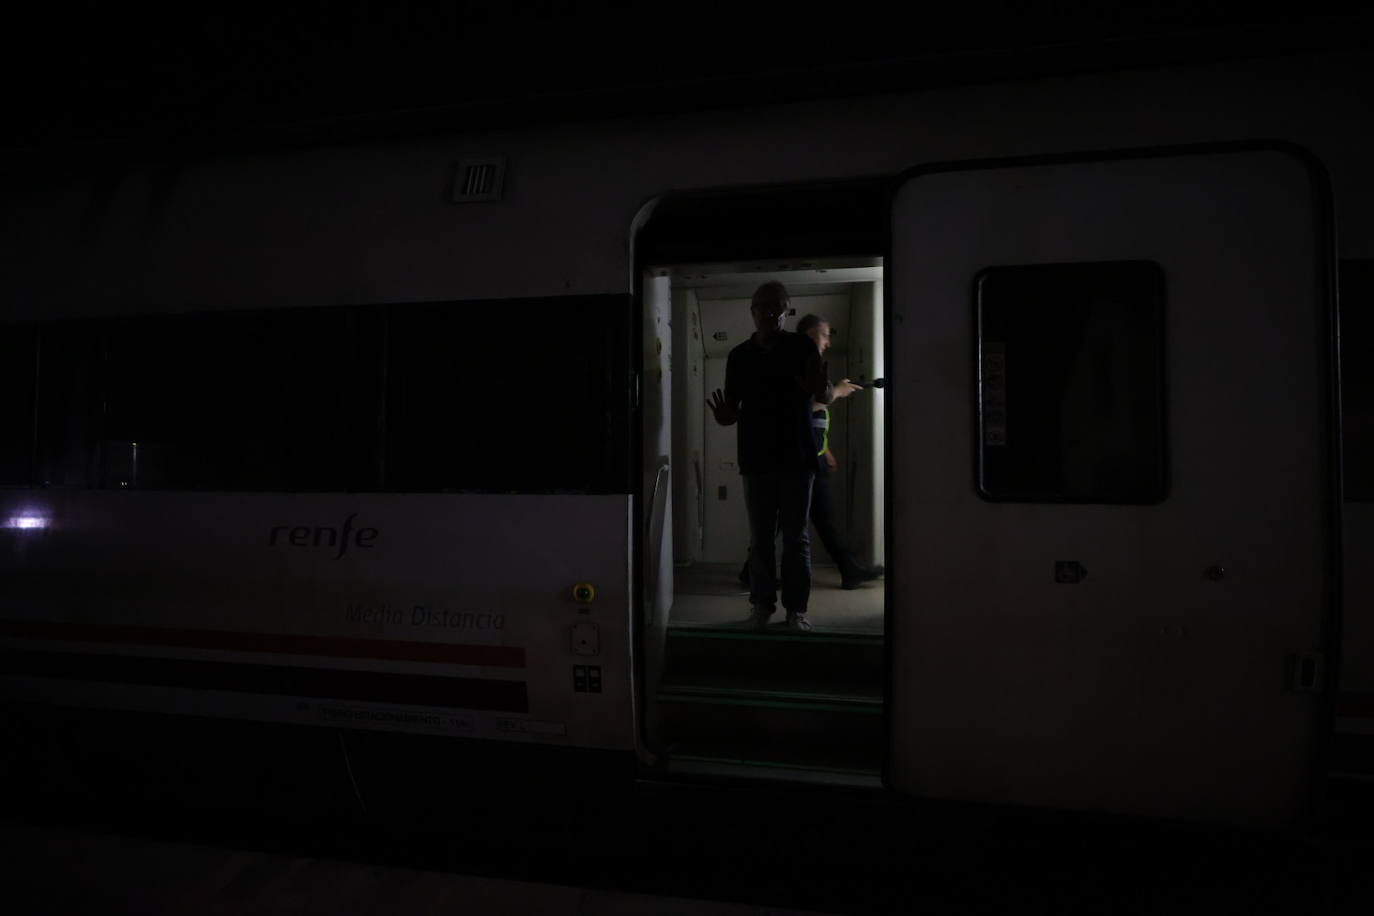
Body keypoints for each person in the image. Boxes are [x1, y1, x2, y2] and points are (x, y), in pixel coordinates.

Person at [707, 282, 832, 632]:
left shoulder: (802, 346)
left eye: (777, 307)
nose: (770, 312)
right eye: (763, 306)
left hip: (797, 456)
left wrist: (819, 389)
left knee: (796, 538)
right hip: (756, 458)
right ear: (753, 311)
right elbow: (731, 409)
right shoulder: (739, 356)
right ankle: (762, 606)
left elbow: (825, 392)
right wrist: (724, 416)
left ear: (787, 311)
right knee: (760, 538)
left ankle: (796, 611)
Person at [738, 313, 884, 590]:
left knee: (804, 519)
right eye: (825, 334)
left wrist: (824, 449)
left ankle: (847, 568)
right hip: (798, 458)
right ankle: (847, 569)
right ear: (809, 335)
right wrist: (837, 393)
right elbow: (794, 411)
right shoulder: (795, 364)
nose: (828, 342)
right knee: (800, 520)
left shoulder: (810, 364)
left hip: (809, 455)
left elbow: (813, 420)